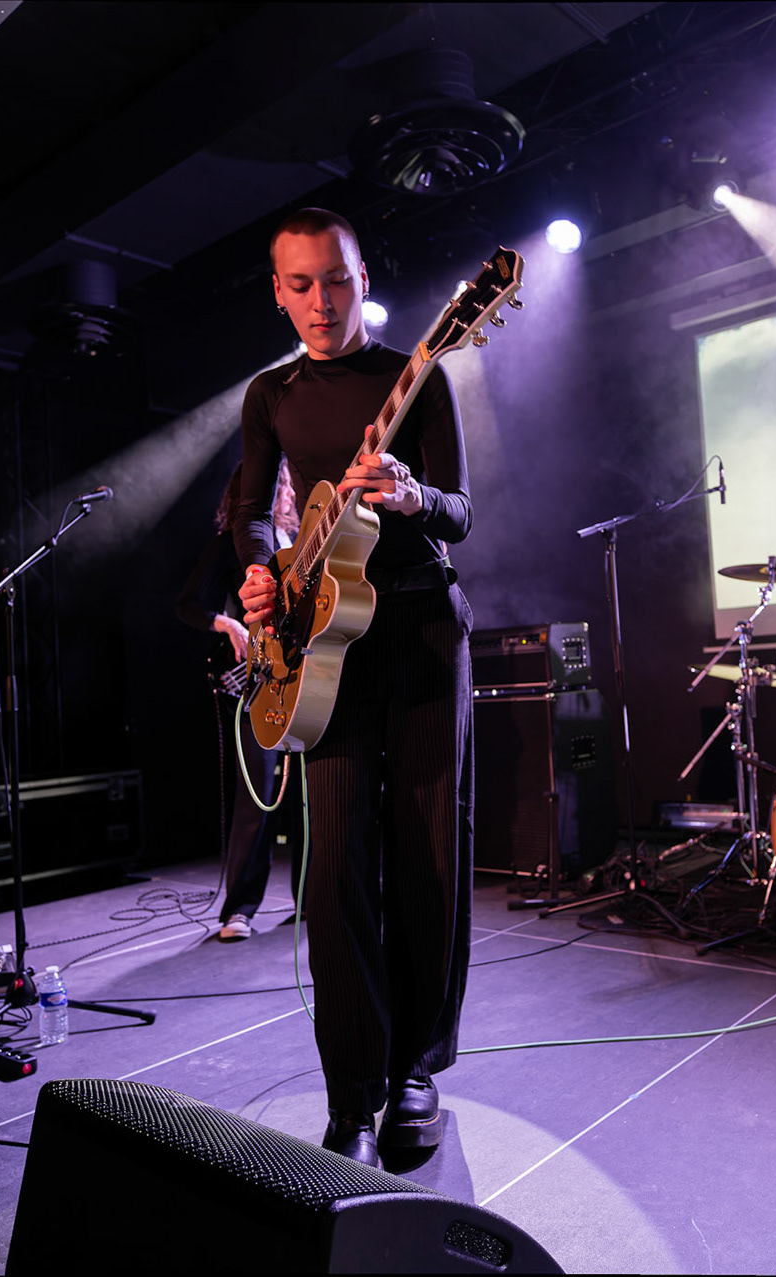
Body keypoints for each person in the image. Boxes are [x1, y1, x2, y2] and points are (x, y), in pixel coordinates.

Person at [234, 207, 474, 1169]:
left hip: (419, 630)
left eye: (335, 279)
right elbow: (252, 513)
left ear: (361, 276)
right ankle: (352, 1094)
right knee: (332, 872)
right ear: (278, 291)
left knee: (427, 859)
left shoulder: (420, 373)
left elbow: (461, 511)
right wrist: (260, 575)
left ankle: (414, 1069)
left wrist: (413, 495)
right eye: (301, 284)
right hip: (323, 646)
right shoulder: (271, 394)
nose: (321, 300)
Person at [174, 460, 301, 942]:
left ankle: (311, 897)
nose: (287, 492)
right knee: (259, 794)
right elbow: (187, 604)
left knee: (307, 794)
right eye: (280, 483)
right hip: (258, 684)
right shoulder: (230, 543)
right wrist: (227, 624)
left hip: (303, 681)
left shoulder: (299, 540)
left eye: (287, 483)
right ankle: (239, 910)